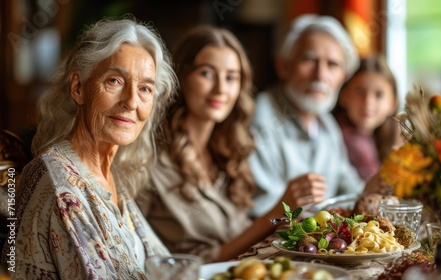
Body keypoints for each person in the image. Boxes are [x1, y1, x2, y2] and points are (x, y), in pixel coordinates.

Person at [6, 17, 176, 279]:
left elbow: (166, 266)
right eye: (114, 81)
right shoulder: (60, 184)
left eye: (145, 88)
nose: (132, 101)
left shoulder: (111, 174)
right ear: (78, 87)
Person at [137, 25, 320, 263]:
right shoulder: (146, 159)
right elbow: (150, 260)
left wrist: (288, 217)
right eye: (206, 73)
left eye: (231, 77)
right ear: (180, 78)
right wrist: (279, 212)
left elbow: (246, 238)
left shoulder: (228, 152)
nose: (221, 89)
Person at [249, 14, 366, 217]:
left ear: (343, 77)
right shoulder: (260, 119)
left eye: (332, 65)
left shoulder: (326, 123)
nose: (320, 75)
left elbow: (352, 192)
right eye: (309, 60)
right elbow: (264, 211)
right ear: (283, 66)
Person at [332, 54, 402, 181]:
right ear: (343, 95)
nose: (368, 102)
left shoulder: (387, 139)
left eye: (378, 94)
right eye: (360, 92)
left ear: (393, 102)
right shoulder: (343, 137)